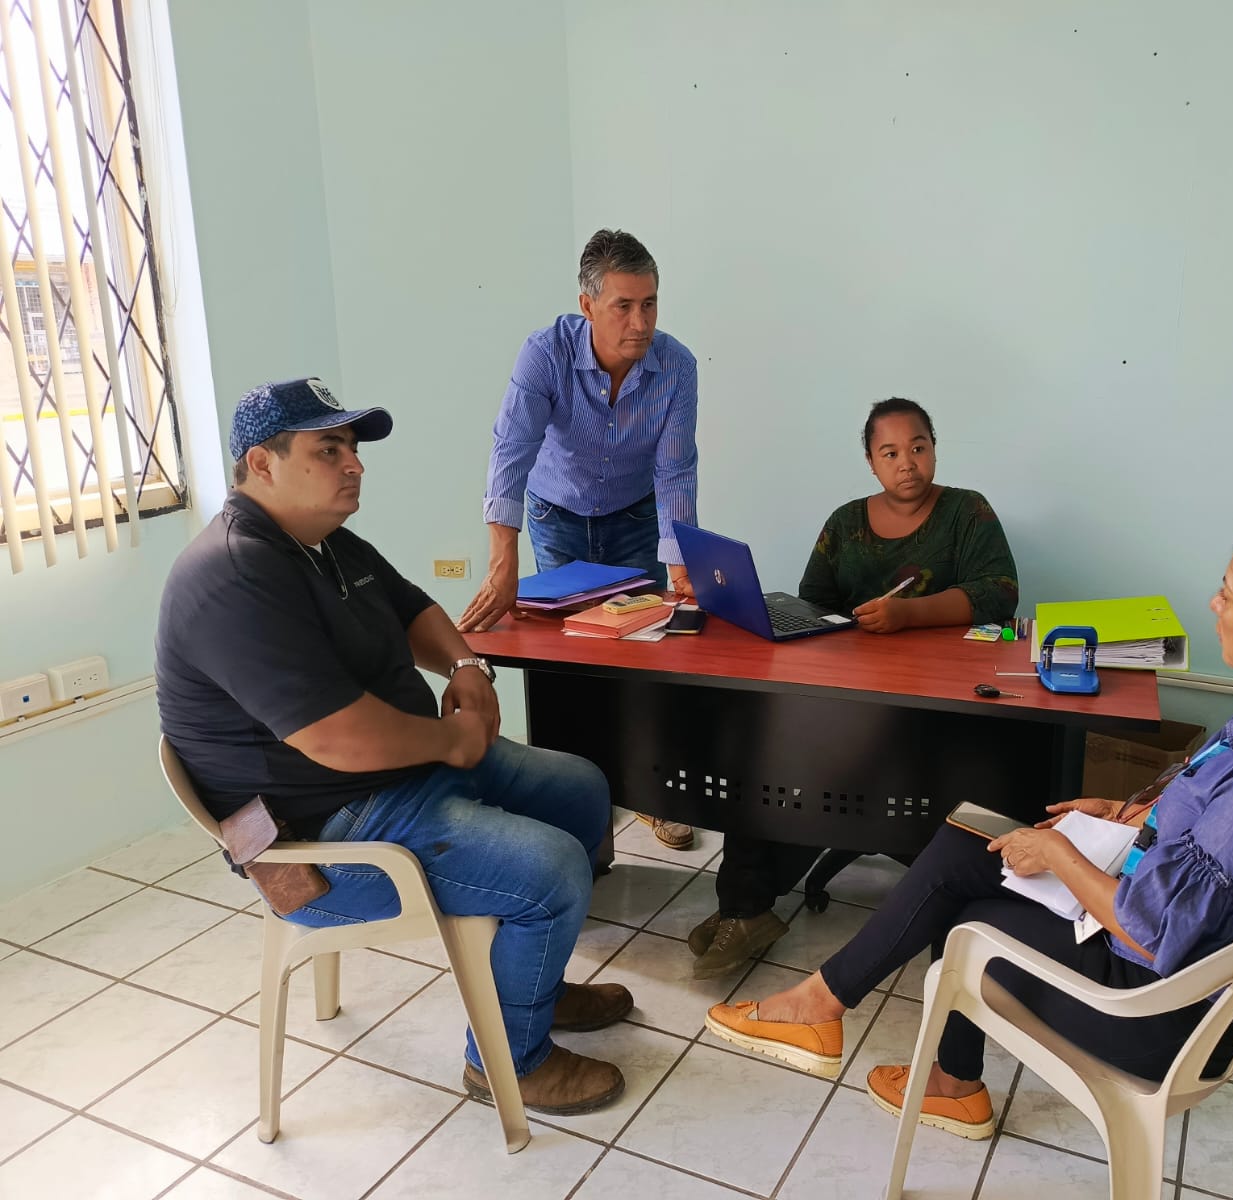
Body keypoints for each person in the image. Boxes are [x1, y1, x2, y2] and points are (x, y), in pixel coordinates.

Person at [704, 517, 1233, 1141]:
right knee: (966, 843)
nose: (1214, 604)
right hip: (1184, 967)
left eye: (1228, 593)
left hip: (1159, 1012)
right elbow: (1217, 833)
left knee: (962, 909)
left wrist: (1058, 851)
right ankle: (858, 1026)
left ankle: (893, 1050)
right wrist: (1127, 813)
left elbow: (1151, 934)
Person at [157, 379, 632, 1116]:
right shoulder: (236, 573)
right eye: (328, 449)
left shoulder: (323, 543)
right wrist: (453, 741)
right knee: (553, 868)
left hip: (398, 779)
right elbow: (338, 738)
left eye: (352, 448)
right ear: (262, 462)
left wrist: (467, 667)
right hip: (325, 838)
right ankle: (508, 1064)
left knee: (580, 789)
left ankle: (535, 982)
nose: (354, 464)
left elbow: (414, 609)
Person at [687, 398, 1020, 979]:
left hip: (935, 704)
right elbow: (813, 600)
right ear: (871, 461)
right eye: (890, 453)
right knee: (761, 750)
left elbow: (999, 593)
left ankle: (751, 902)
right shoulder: (846, 522)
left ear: (934, 448)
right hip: (849, 693)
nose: (907, 462)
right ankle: (746, 907)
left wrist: (908, 615)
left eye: (918, 447)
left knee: (827, 761)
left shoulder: (967, 512)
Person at [460, 228, 700, 852]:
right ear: (587, 305)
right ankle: (579, 810)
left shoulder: (677, 366)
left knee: (642, 655)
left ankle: (650, 794)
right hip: (557, 514)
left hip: (635, 517)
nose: (640, 322)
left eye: (649, 304)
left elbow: (676, 470)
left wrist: (680, 566)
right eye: (623, 306)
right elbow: (510, 454)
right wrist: (503, 563)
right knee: (569, 661)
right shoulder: (544, 355)